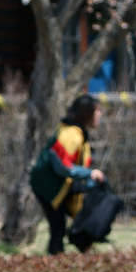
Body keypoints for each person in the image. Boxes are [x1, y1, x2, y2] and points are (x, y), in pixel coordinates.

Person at [29, 95, 105, 254]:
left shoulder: (77, 132)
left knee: (76, 220)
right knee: (58, 228)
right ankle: (56, 262)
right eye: (97, 111)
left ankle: (83, 250)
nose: (100, 115)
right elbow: (62, 167)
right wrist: (89, 174)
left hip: (59, 186)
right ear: (86, 113)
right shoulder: (72, 134)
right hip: (47, 186)